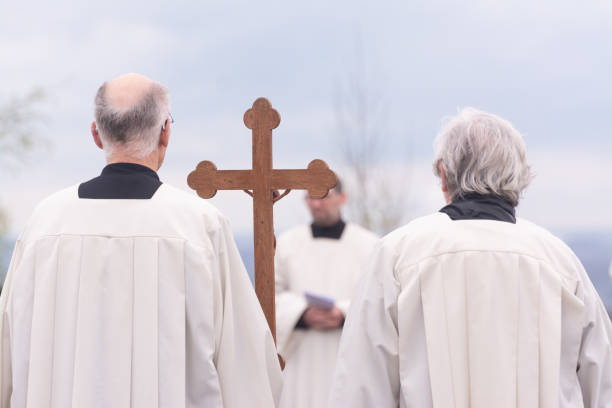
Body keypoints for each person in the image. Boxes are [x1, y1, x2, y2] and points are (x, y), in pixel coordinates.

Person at [0, 73, 282, 407]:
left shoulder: (43, 226)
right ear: (165, 132)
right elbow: (246, 371)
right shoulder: (199, 226)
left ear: (96, 133)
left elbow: (7, 353)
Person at [329, 108, 612, 407]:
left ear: (443, 175)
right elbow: (603, 381)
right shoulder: (561, 262)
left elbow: (361, 386)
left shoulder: (398, 256)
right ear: (518, 176)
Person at [274, 181, 378, 408]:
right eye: (311, 198)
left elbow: (378, 299)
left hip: (349, 354)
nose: (317, 204)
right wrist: (301, 313)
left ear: (342, 198)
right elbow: (271, 297)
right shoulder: (287, 243)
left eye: (323, 197)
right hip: (301, 357)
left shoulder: (369, 245)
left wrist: (343, 313)